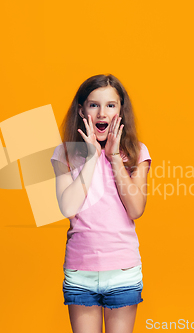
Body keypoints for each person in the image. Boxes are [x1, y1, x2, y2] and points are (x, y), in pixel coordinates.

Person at [51, 74, 151, 333]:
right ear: (82, 109)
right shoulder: (64, 153)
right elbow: (68, 207)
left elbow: (136, 209)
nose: (101, 113)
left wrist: (115, 157)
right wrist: (92, 157)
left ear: (121, 110)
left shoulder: (138, 152)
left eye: (110, 105)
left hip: (122, 271)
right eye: (94, 105)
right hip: (80, 272)